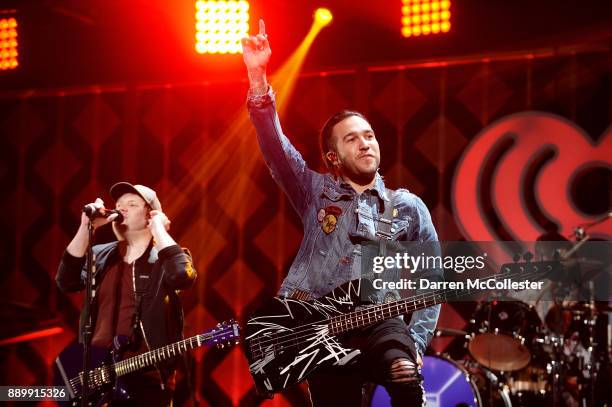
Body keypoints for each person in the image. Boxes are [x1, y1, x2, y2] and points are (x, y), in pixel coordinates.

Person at [242, 20, 440, 406]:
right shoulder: (314, 191)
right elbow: (274, 146)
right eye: (352, 139)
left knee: (402, 370)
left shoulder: (407, 206)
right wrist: (257, 76)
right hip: (321, 325)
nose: (365, 143)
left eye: (369, 135)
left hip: (382, 318)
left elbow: (432, 281)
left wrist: (415, 342)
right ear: (333, 157)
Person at [56, 182, 197, 406]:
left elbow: (183, 275)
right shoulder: (101, 255)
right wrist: (86, 227)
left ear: (151, 215)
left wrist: (159, 229)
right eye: (119, 205)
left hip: (145, 378)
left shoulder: (165, 259)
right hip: (96, 377)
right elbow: (66, 282)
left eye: (132, 204)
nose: (122, 208)